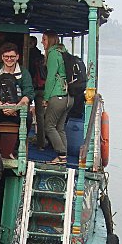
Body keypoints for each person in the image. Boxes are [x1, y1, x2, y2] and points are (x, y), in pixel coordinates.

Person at [0, 42, 34, 152]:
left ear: (17, 57)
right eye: (6, 56)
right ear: (2, 57)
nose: (9, 59)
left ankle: (16, 150)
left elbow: (28, 94)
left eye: (12, 56)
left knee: (28, 118)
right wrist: (2, 106)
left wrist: (15, 108)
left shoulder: (24, 72)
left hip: (18, 108)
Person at [42, 31, 73, 165]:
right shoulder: (63, 52)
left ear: (50, 40)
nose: (42, 42)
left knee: (49, 126)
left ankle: (61, 155)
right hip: (69, 97)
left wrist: (46, 98)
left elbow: (50, 78)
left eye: (44, 39)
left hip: (58, 95)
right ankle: (63, 158)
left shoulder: (53, 54)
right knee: (60, 127)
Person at [26, 35, 47, 149]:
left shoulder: (27, 56)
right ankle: (41, 143)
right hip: (41, 87)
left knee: (25, 113)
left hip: (31, 87)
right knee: (40, 116)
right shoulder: (41, 56)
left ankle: (24, 139)